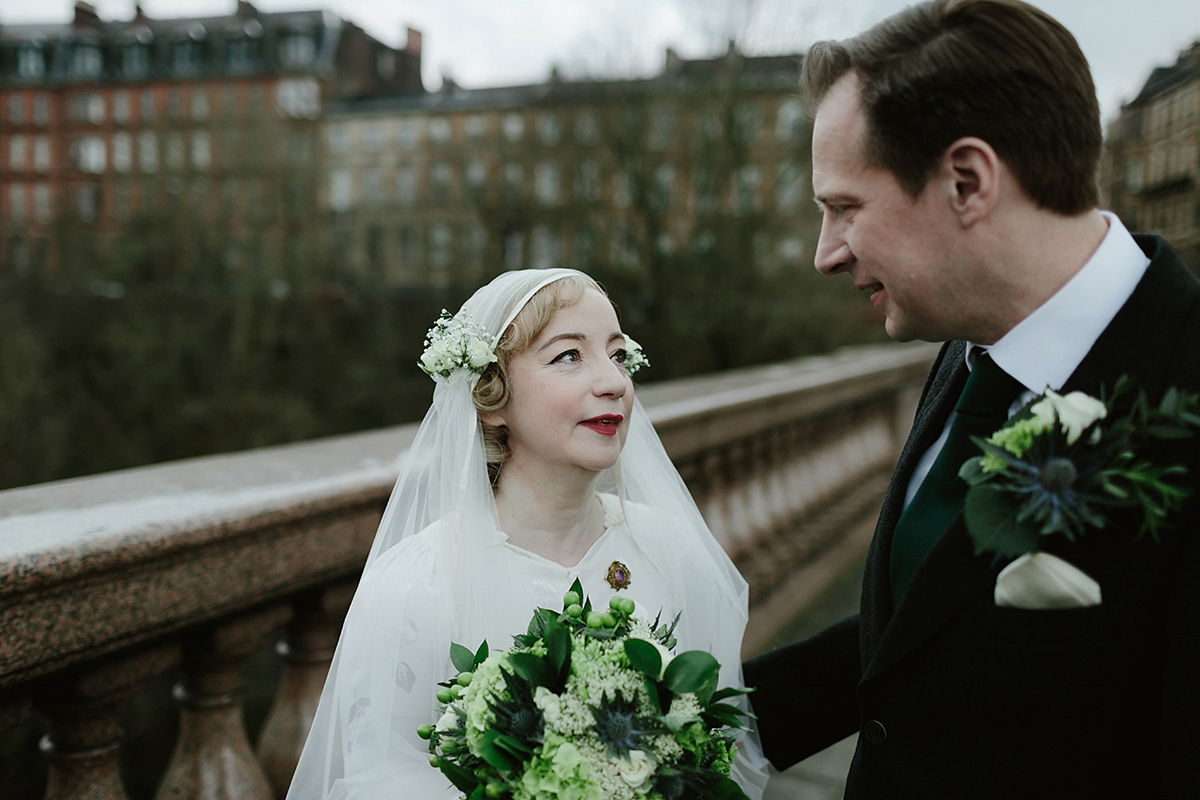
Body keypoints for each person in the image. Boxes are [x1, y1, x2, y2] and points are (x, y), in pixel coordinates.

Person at [743, 1, 1200, 797]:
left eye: (844, 207)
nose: (825, 254)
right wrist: (705, 719)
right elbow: (937, 621)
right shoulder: (964, 340)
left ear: (967, 181)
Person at [287, 268, 768, 798]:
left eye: (617, 355)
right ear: (491, 397)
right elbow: (381, 778)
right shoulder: (416, 586)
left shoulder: (668, 549)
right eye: (569, 356)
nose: (614, 382)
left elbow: (713, 746)